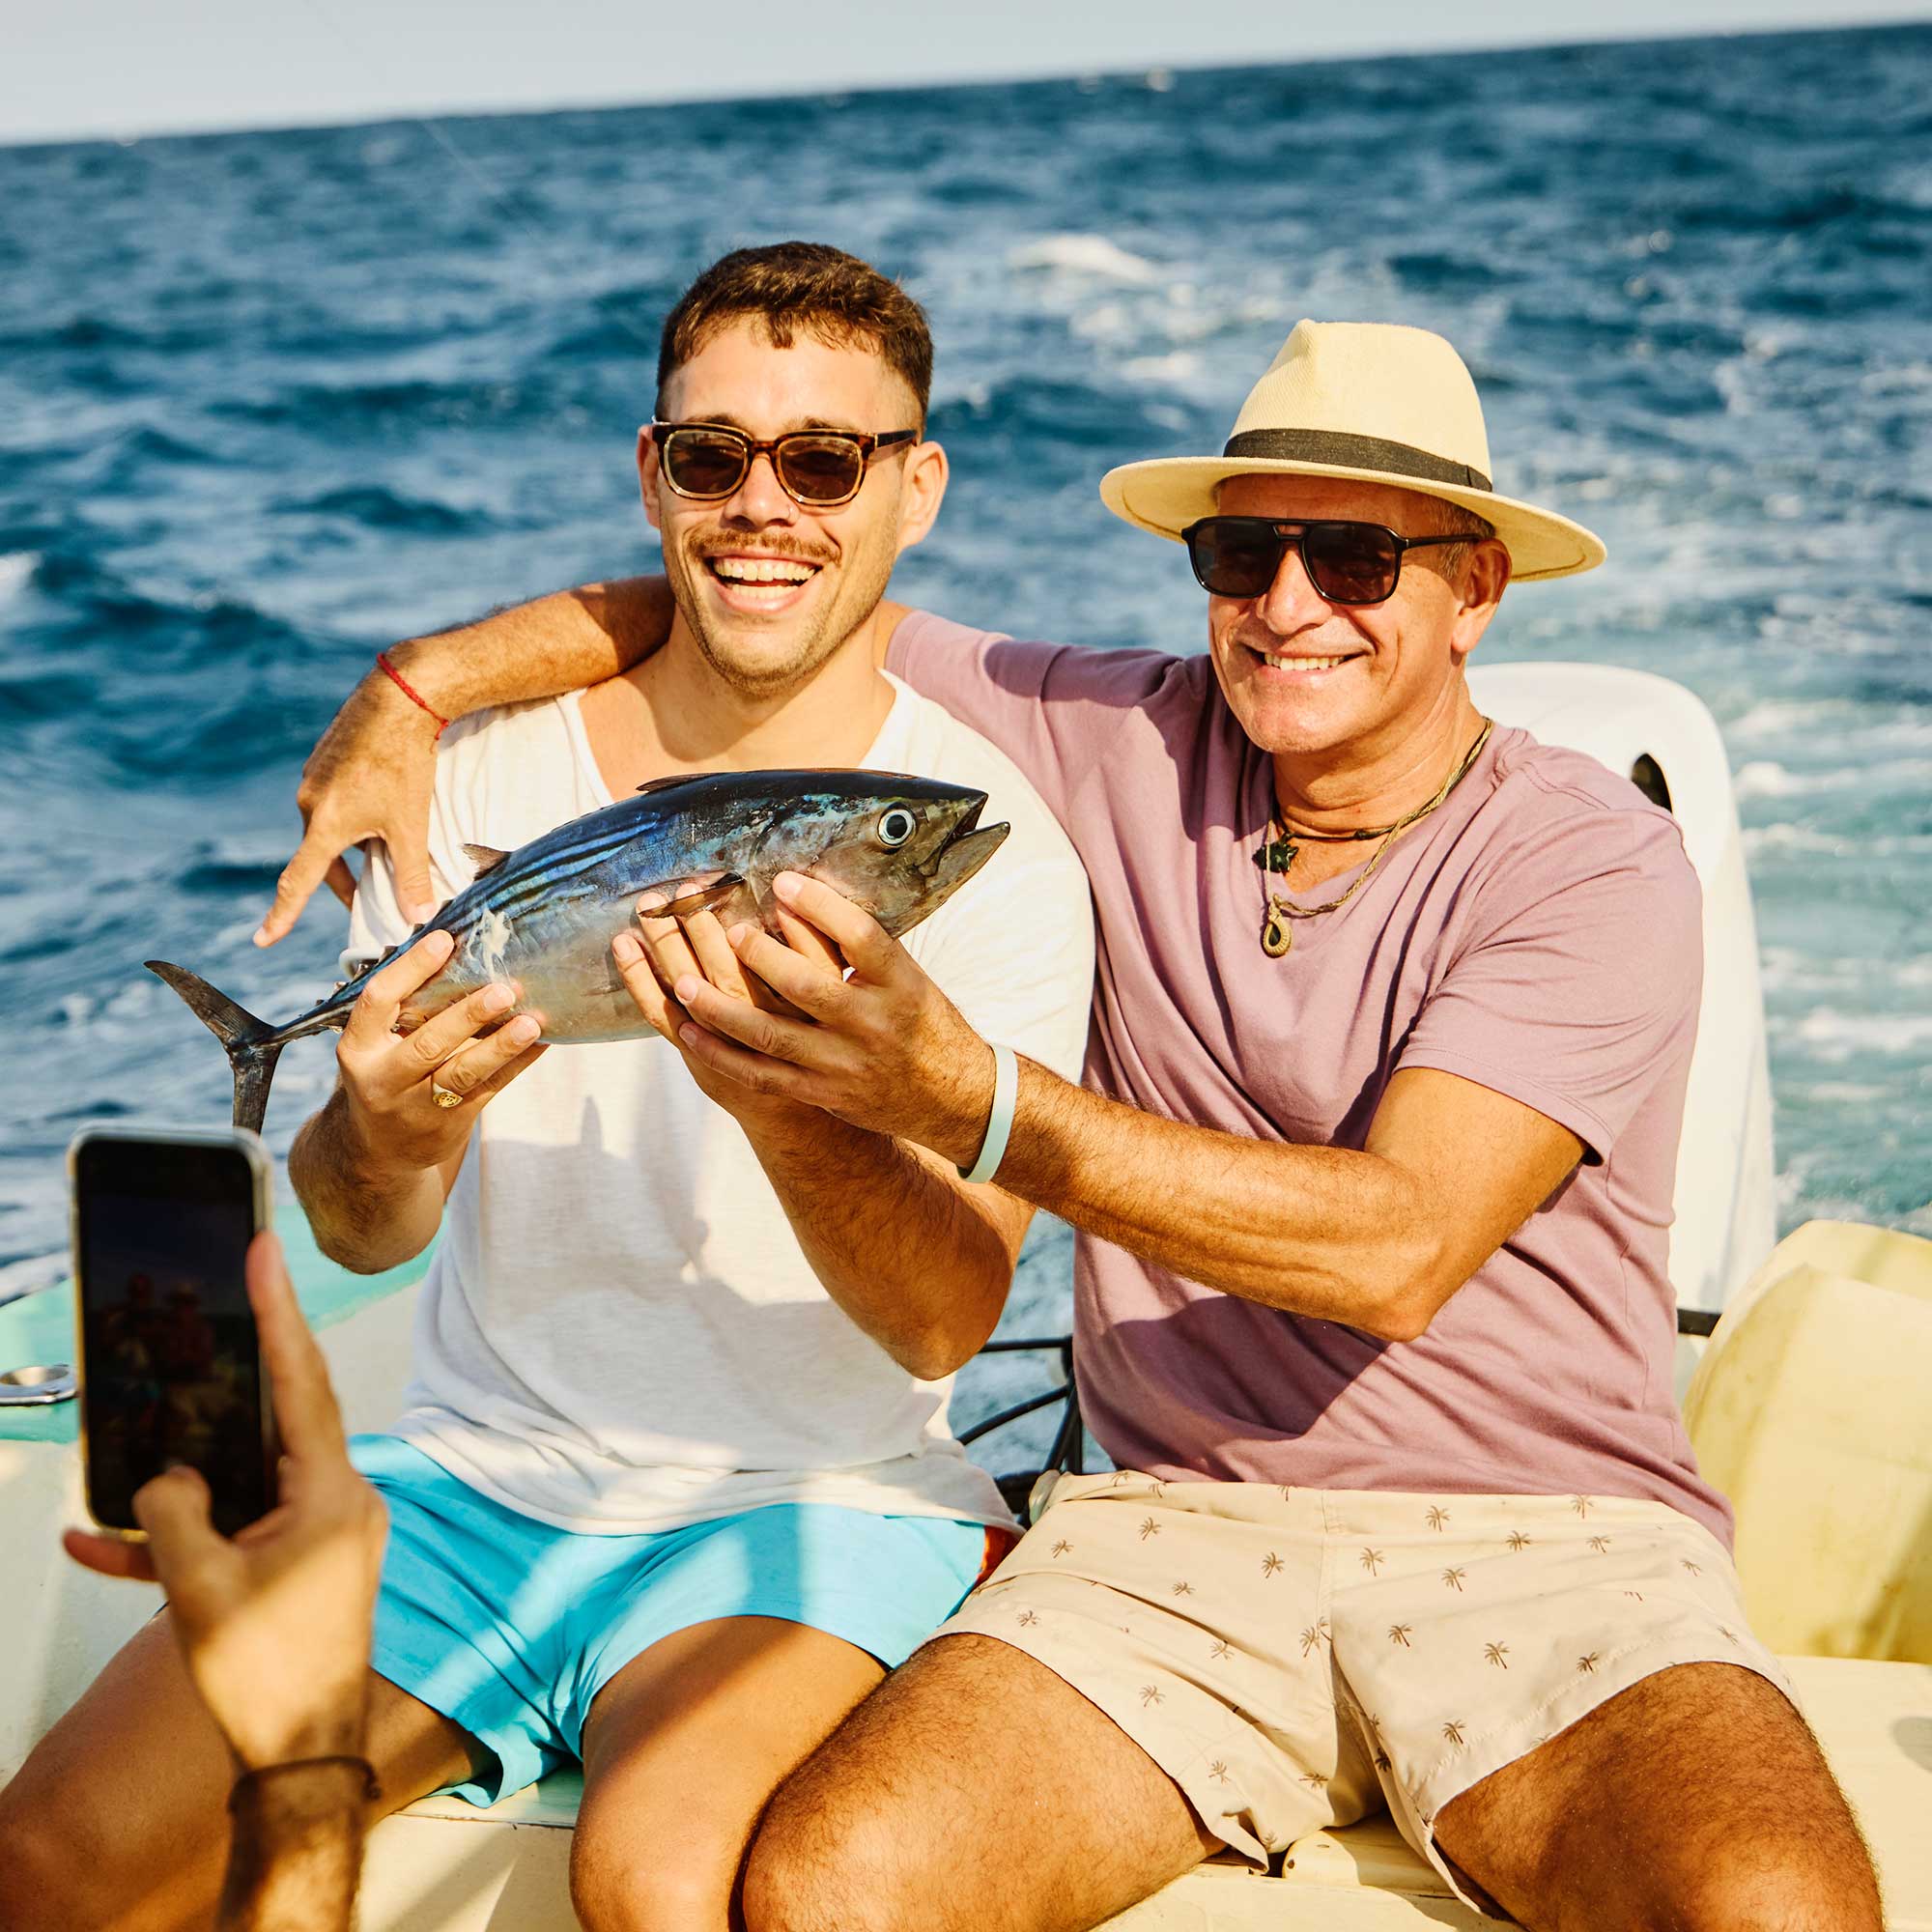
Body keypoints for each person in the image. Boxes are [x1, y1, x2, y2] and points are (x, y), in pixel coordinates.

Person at [262, 309, 1882, 1932]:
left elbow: (1396, 1247)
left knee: (1776, 1910)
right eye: (1244, 555)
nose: (1289, 607)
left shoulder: (1590, 857)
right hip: (1167, 1538)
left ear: (1476, 590)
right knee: (836, 1891)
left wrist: (966, 1099)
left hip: (1551, 1540)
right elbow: (758, 605)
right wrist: (412, 690)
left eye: (1356, 560)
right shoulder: (1120, 734)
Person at [0, 243, 1094, 1932]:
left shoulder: (985, 856)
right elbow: (362, 1232)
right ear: (652, 476)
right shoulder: (459, 783)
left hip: (819, 1498)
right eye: (714, 455)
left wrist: (783, 1098)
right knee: (46, 1859)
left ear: (917, 488)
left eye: (824, 461)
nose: (765, 507)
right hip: (467, 1475)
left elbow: (949, 1321)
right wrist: (384, 1123)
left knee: (655, 1881)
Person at [64, 1231, 388, 1932]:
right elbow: (371, 1222)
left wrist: (300, 1758)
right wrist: (306, 1759)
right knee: (37, 1868)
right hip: (453, 1466)